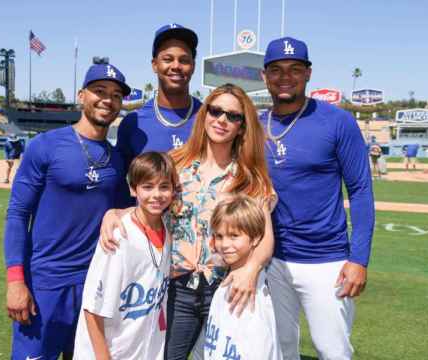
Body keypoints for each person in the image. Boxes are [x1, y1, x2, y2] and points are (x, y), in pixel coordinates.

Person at [100, 83, 276, 360]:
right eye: (216, 111)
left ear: (242, 126)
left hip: (228, 287)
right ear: (204, 114)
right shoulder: (175, 164)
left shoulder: (250, 179)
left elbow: (265, 237)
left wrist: (252, 268)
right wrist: (116, 213)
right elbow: (148, 205)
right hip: (176, 289)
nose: (222, 120)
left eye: (233, 116)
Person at [3, 62, 131, 360]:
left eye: (115, 95)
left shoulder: (115, 158)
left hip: (95, 285)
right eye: (99, 91)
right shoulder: (45, 146)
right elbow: (18, 214)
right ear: (81, 95)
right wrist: (15, 281)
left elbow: (128, 213)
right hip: (46, 284)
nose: (107, 100)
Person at [260, 37, 375, 359]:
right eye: (277, 69)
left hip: (326, 260)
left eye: (295, 69)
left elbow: (362, 190)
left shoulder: (337, 121)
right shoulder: (254, 124)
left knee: (332, 349)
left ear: (308, 73)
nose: (286, 76)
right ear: (264, 76)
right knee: (279, 348)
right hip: (270, 259)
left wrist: (359, 259)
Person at [73, 152, 178, 360]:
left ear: (173, 190)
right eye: (147, 187)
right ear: (133, 188)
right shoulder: (118, 236)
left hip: (142, 349)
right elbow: (93, 308)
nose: (156, 194)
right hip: (108, 351)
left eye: (164, 187)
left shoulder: (168, 230)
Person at [204, 195, 282, 360]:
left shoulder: (248, 291)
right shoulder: (231, 280)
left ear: (254, 239)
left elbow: (259, 350)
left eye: (234, 236)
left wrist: (265, 212)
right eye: (219, 236)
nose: (224, 244)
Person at [116, 23, 203, 168]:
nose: (176, 66)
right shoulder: (133, 123)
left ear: (193, 66)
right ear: (155, 65)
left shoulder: (210, 119)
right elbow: (120, 185)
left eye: (184, 60)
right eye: (168, 59)